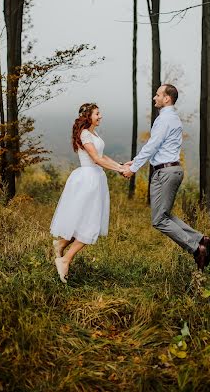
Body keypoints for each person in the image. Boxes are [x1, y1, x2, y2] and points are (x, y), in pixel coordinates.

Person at [122, 84, 210, 271]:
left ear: (167, 99)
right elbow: (158, 148)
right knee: (164, 215)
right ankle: (201, 239)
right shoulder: (171, 118)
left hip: (166, 172)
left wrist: (135, 168)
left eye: (157, 95)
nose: (154, 98)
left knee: (159, 220)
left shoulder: (164, 119)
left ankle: (197, 248)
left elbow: (152, 145)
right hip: (168, 170)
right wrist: (135, 161)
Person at [50, 102, 124, 283]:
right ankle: (65, 259)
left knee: (85, 221)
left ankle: (61, 244)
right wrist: (118, 170)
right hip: (88, 180)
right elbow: (96, 159)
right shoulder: (84, 134)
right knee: (90, 224)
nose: (100, 116)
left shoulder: (93, 133)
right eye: (97, 113)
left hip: (96, 179)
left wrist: (120, 166)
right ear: (88, 116)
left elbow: (103, 156)